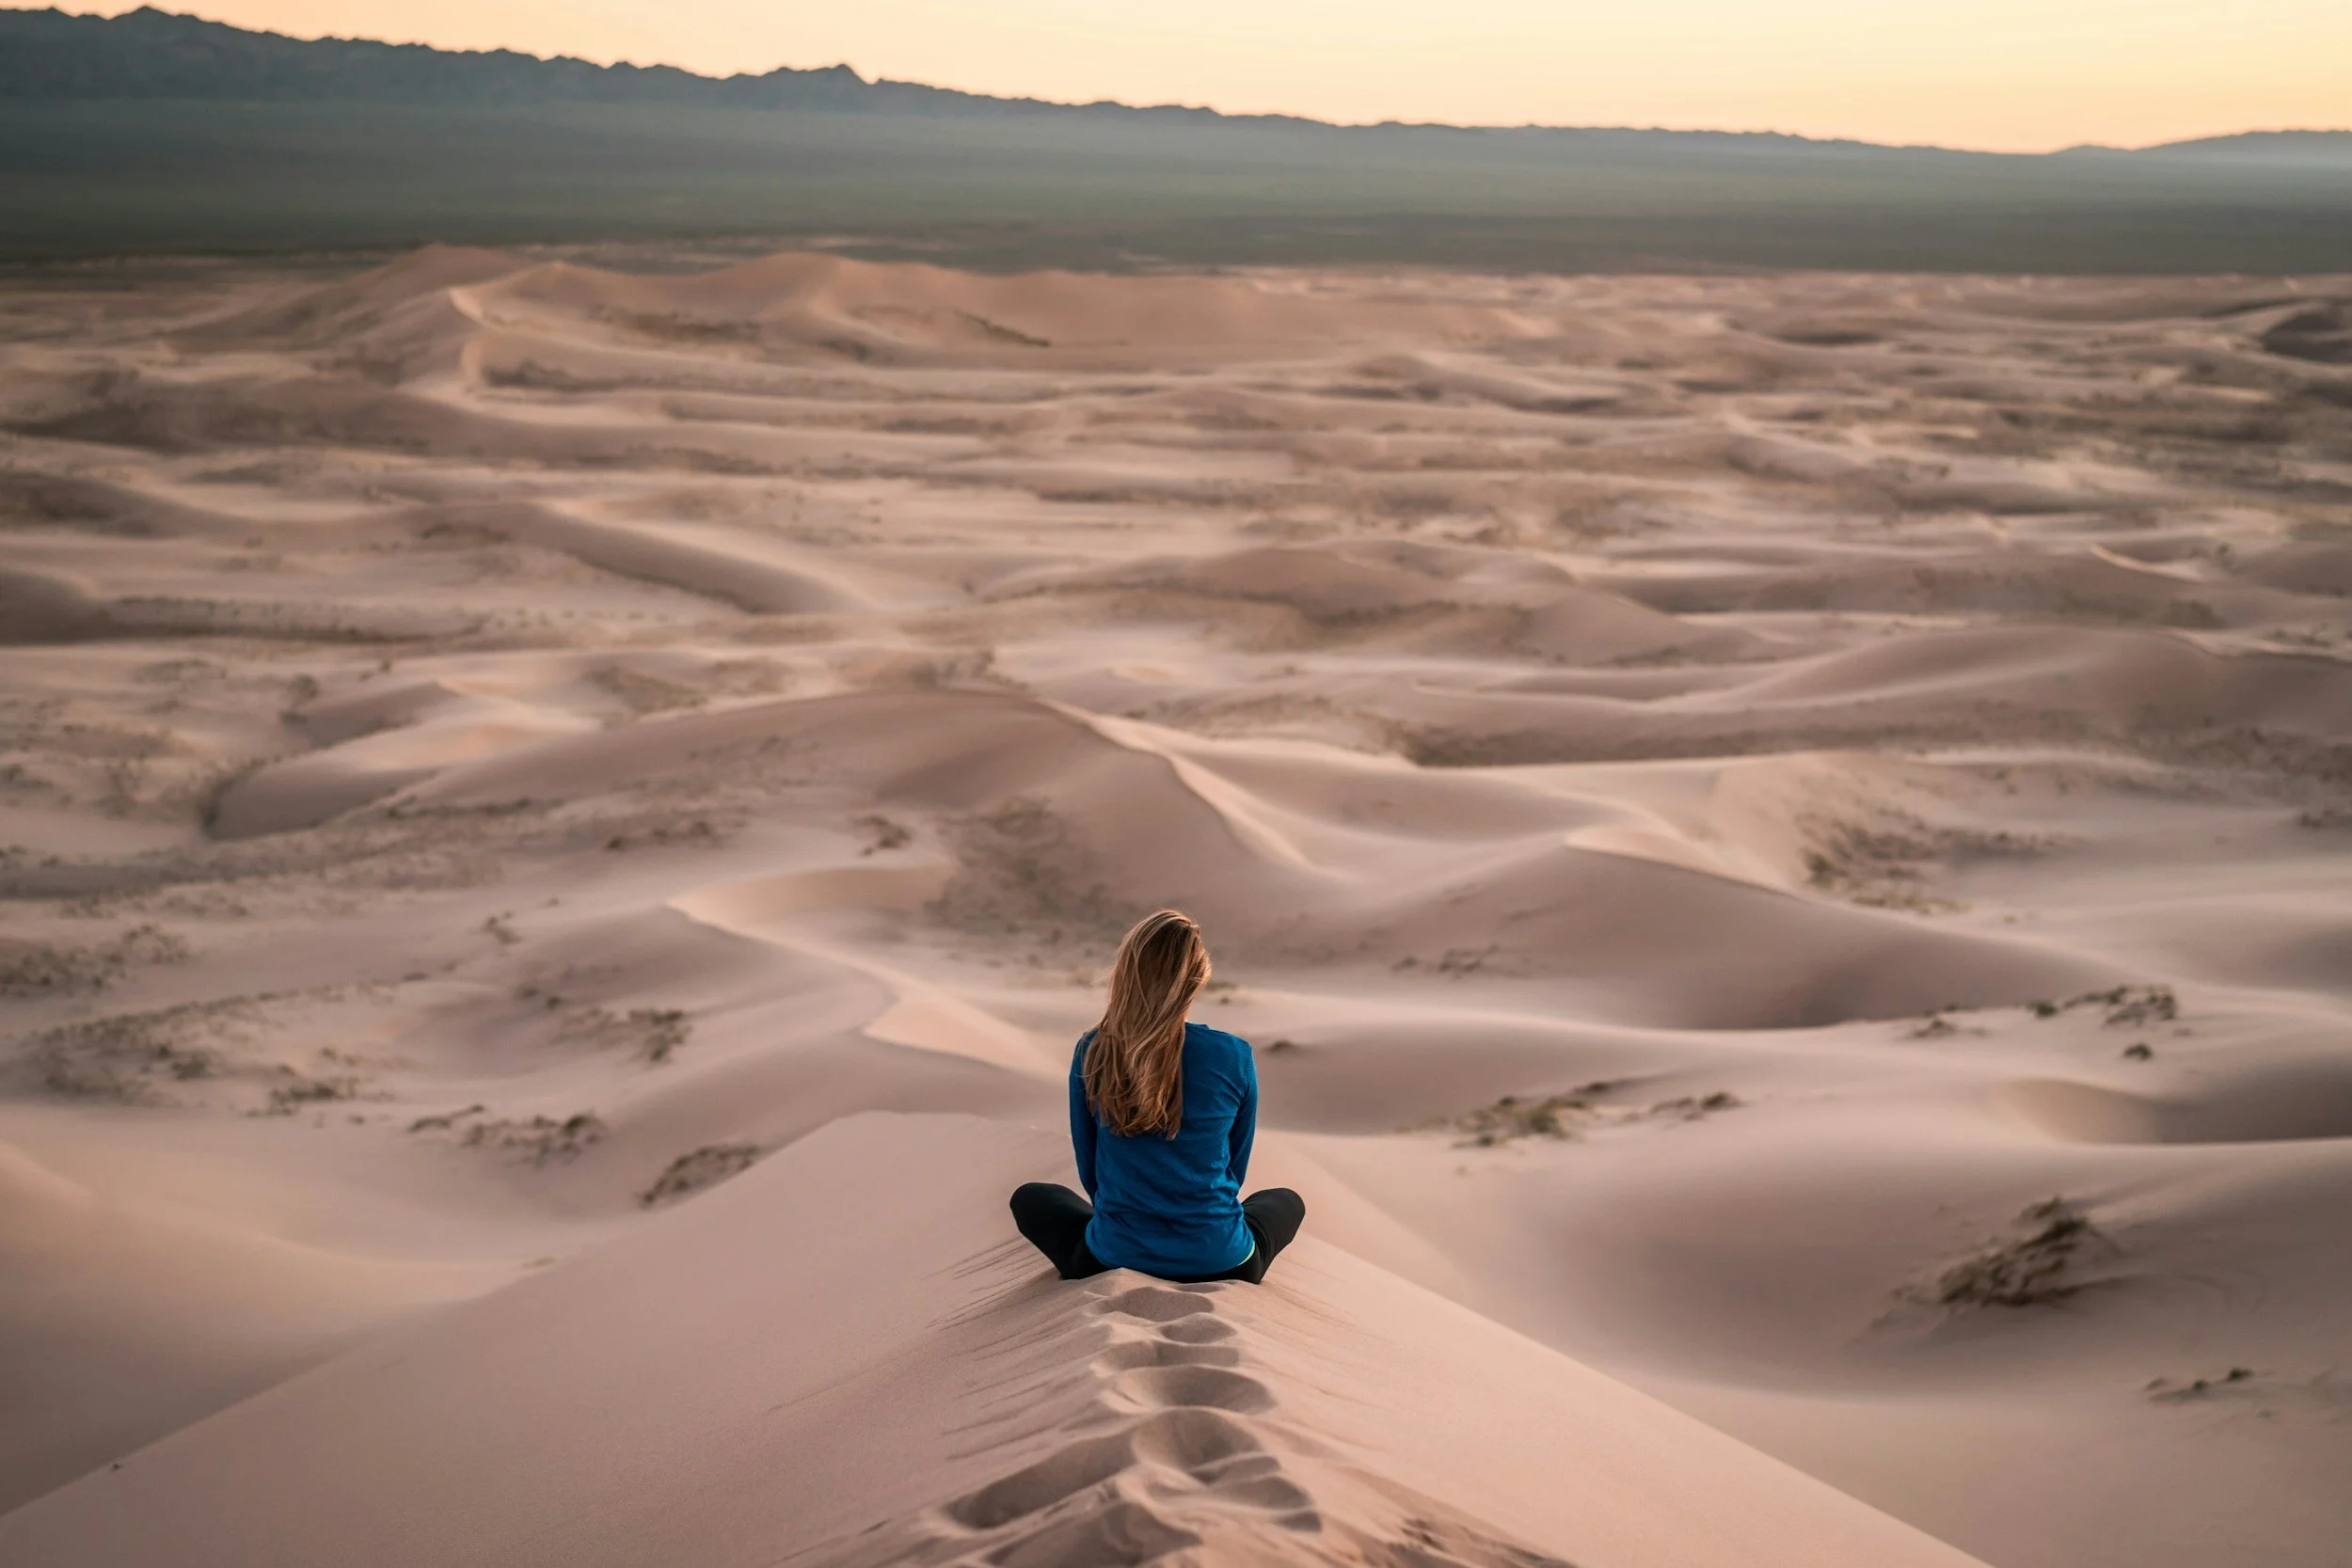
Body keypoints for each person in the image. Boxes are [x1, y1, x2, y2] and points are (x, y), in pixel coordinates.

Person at [1010, 910, 1305, 1284]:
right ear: (1197, 980)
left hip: (1113, 1255)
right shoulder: (1233, 1054)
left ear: (1126, 973)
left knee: (1032, 1198)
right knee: (1284, 1200)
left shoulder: (1095, 1049)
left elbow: (1090, 1170)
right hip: (1221, 1259)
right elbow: (1234, 1167)